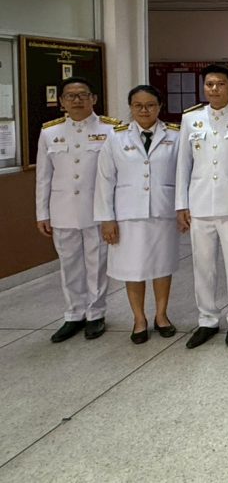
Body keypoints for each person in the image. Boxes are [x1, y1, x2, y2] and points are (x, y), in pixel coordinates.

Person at [175, 65, 228, 349]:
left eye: (220, 84)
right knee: (203, 266)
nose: (214, 89)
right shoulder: (191, 119)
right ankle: (207, 319)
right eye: (209, 84)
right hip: (199, 204)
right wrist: (181, 204)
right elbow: (183, 164)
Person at [35, 78, 120, 342]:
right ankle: (74, 314)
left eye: (83, 95)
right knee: (69, 264)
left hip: (97, 210)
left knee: (97, 264)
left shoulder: (110, 129)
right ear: (61, 101)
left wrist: (113, 213)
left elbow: (116, 175)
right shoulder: (50, 132)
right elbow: (43, 176)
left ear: (93, 98)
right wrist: (42, 213)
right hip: (63, 210)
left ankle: (96, 313)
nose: (77, 100)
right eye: (70, 96)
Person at [94, 85, 180, 344]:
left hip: (163, 211)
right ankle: (139, 319)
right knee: (133, 269)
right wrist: (107, 218)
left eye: (150, 105)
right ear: (130, 107)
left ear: (159, 106)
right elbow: (105, 180)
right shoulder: (116, 137)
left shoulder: (175, 135)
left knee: (162, 266)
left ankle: (161, 316)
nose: (144, 110)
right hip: (128, 214)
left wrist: (182, 209)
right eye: (138, 106)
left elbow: (183, 175)